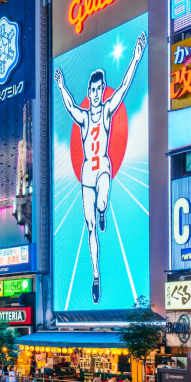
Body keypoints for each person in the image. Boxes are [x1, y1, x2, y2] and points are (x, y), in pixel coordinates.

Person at [54, 30, 146, 304]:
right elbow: (69, 105)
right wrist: (60, 86)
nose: (95, 94)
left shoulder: (106, 111)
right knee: (91, 227)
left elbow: (125, 87)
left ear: (102, 89)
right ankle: (96, 276)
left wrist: (136, 57)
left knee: (102, 202)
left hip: (103, 167)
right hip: (86, 175)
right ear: (88, 92)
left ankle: (104, 210)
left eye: (99, 89)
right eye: (92, 90)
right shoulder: (83, 117)